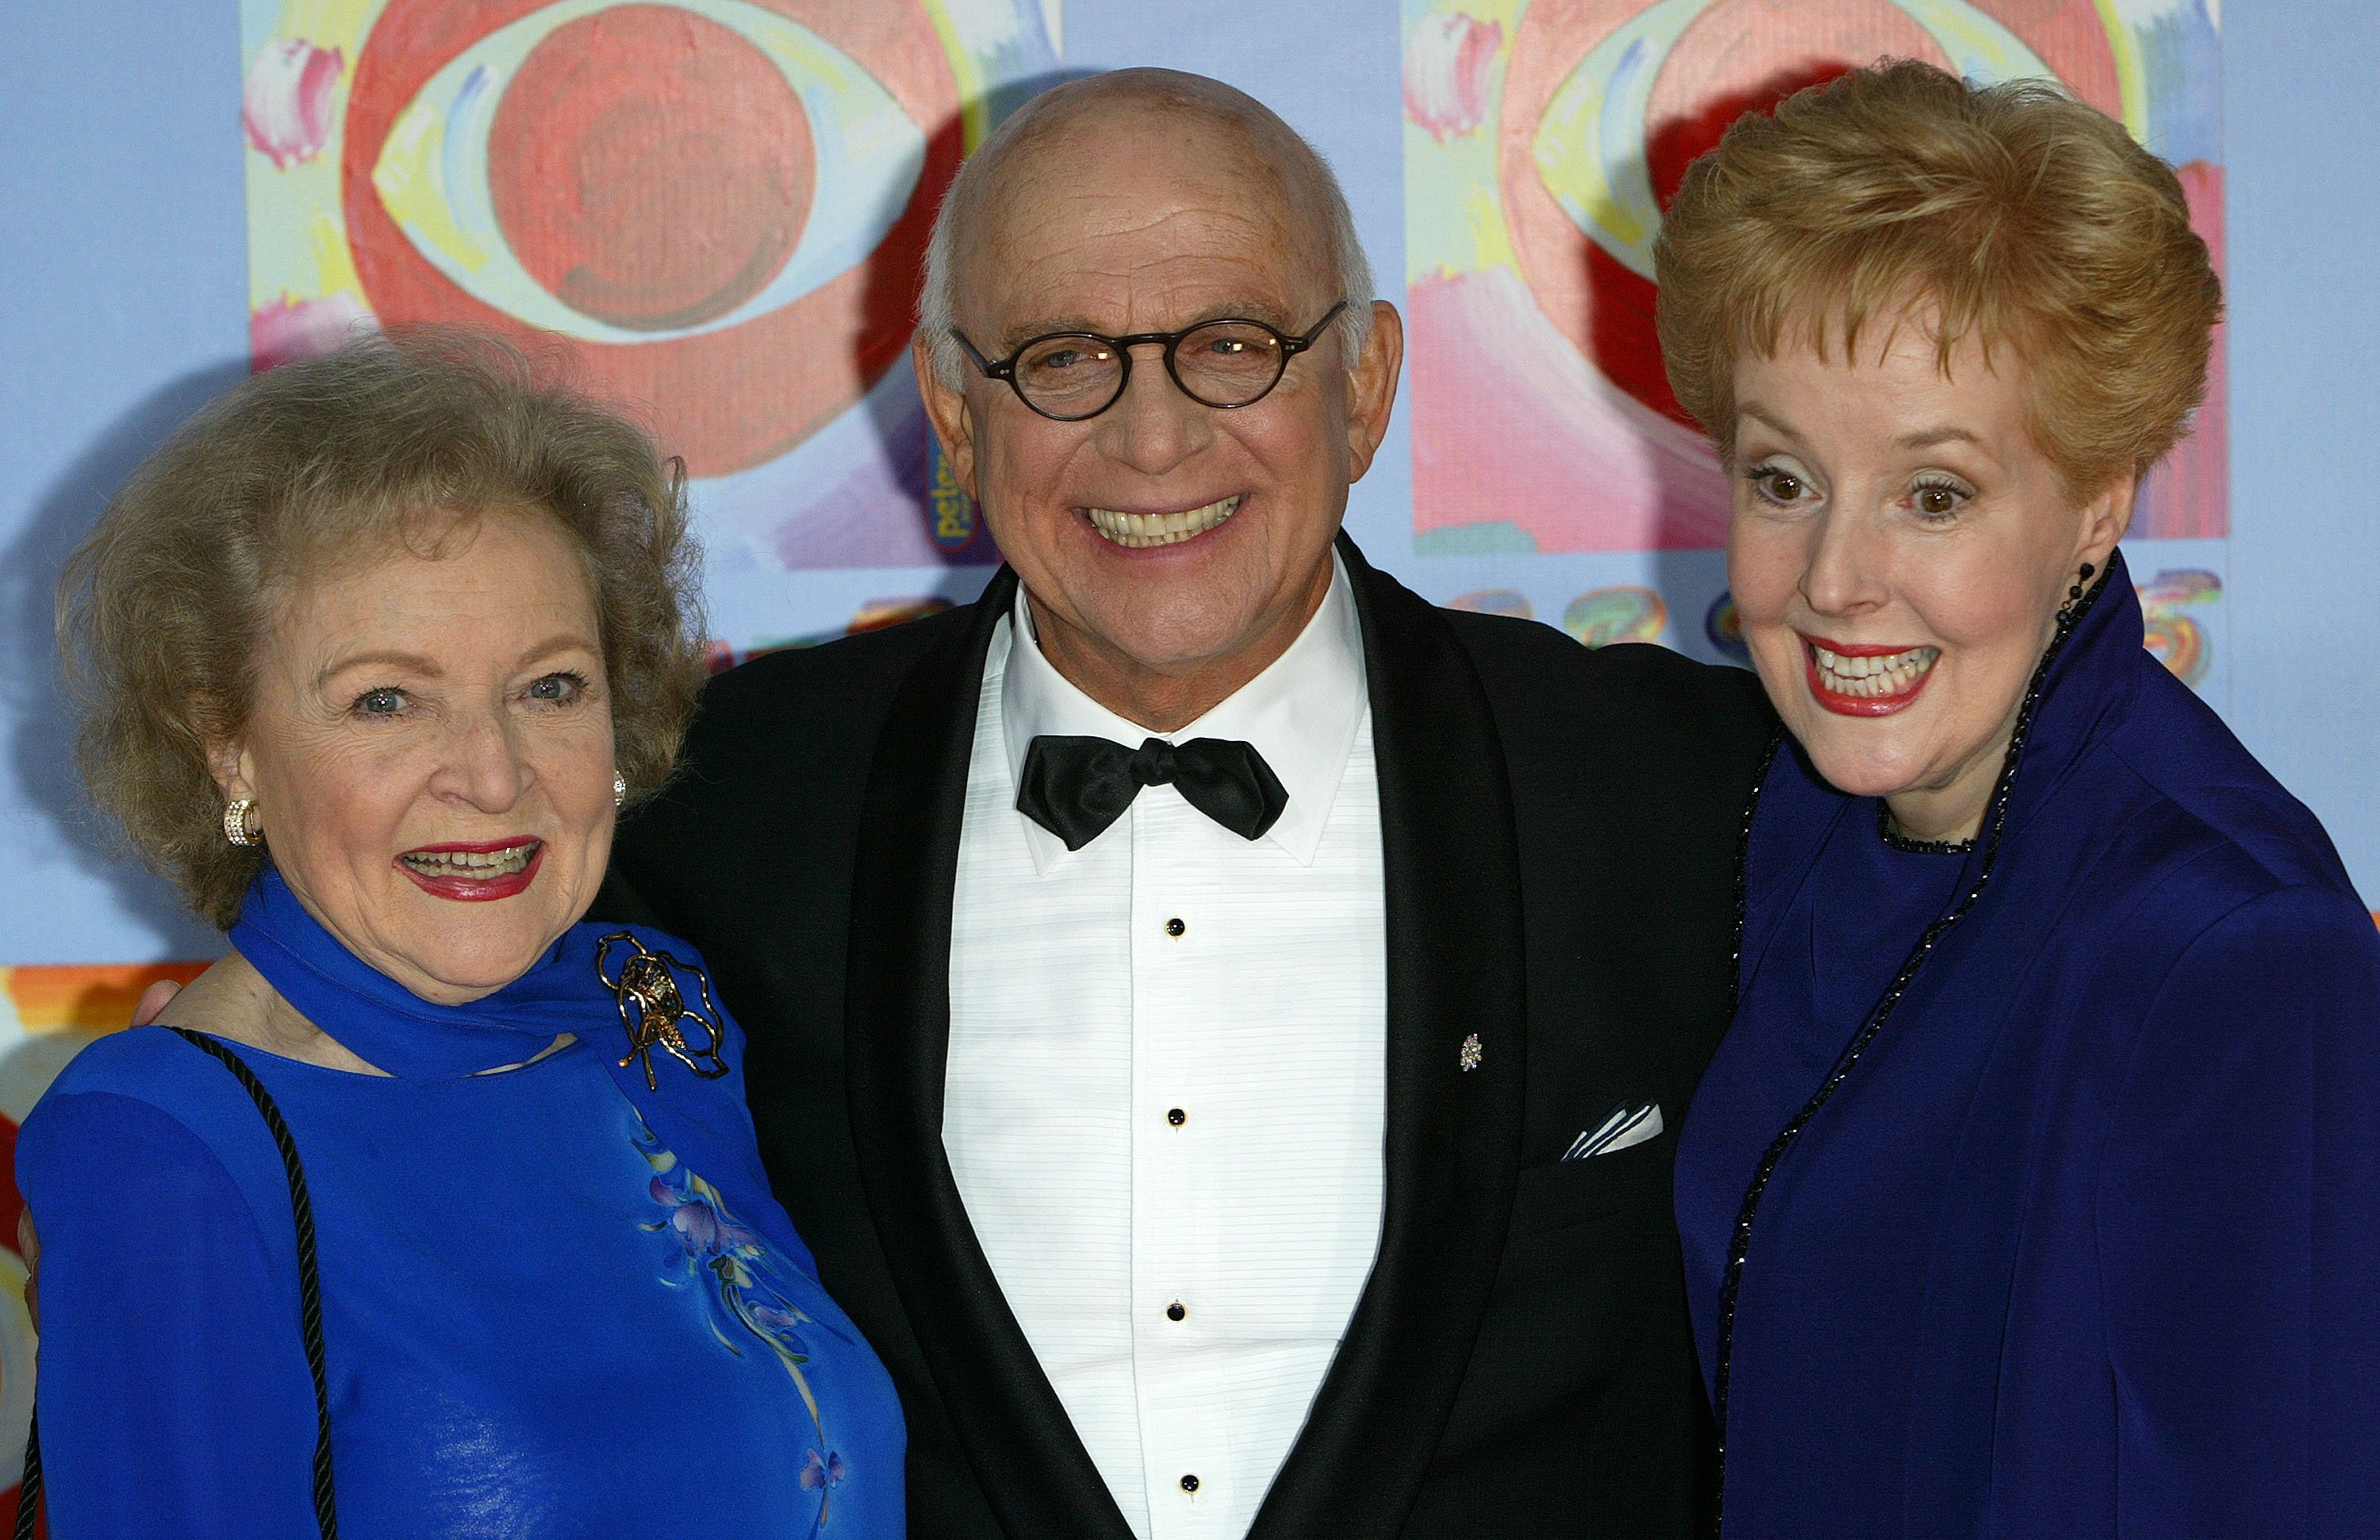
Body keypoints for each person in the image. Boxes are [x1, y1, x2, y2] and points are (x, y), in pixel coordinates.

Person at [597, 68, 1775, 1540]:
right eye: (1064, 357)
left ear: (1364, 384)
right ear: (956, 417)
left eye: (1233, 345)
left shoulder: (1691, 789)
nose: (1152, 439)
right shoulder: (712, 807)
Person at [17, 333, 904, 1537]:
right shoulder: (164, 1140)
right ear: (228, 742)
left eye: (550, 687)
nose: (493, 776)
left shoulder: (651, 1008)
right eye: (387, 699)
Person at [1657, 60, 2380, 1535]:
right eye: (1783, 480)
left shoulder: (2229, 950)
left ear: (2097, 505)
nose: (1836, 581)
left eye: (1934, 495)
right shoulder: (1806, 822)